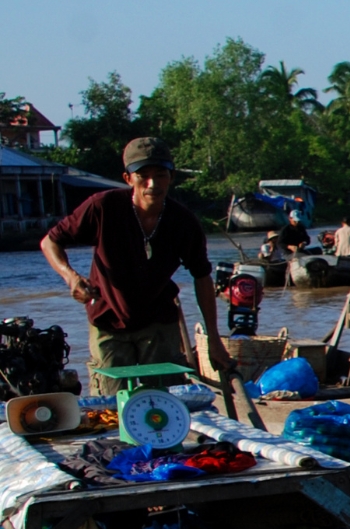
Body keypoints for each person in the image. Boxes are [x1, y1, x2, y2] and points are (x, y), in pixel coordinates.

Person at [41, 137, 230, 396]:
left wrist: (214, 339)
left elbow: (202, 276)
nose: (152, 184)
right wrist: (71, 277)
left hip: (159, 323)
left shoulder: (184, 223)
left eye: (160, 175)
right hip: (108, 321)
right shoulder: (103, 207)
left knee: (166, 403)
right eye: (143, 176)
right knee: (111, 405)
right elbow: (50, 242)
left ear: (170, 177)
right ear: (128, 178)